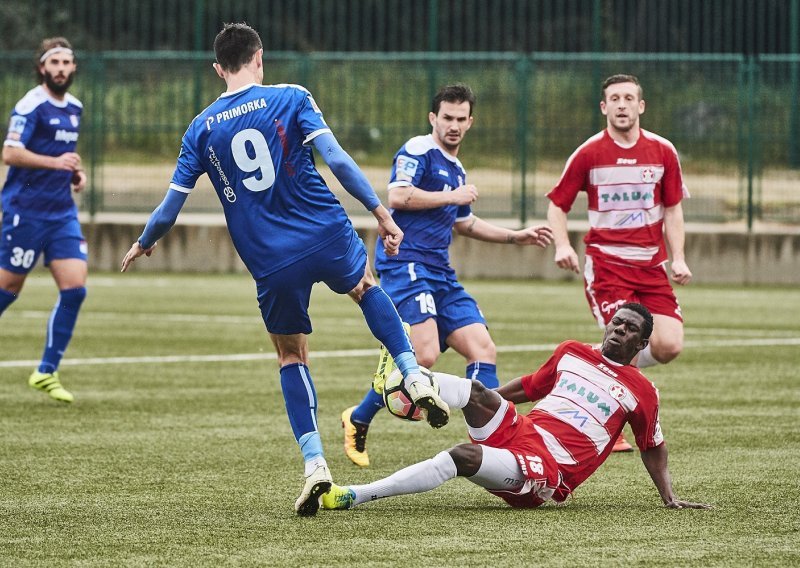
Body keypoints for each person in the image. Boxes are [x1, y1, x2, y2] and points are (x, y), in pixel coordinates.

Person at [119, 23, 448, 517]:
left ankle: (315, 464)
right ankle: (411, 373)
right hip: (323, 231)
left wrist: (144, 242)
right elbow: (335, 158)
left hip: (269, 259)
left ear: (217, 69)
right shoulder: (292, 96)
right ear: (259, 57)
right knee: (364, 286)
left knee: (291, 356)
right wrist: (381, 213)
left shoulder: (200, 128)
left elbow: (169, 207)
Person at [321, 303, 712, 512]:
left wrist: (669, 496)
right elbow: (527, 387)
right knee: (475, 389)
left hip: (551, 471)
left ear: (641, 345)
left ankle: (355, 494)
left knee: (462, 456)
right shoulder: (572, 352)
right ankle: (408, 379)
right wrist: (486, 402)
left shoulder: (642, 390)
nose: (619, 330)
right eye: (617, 322)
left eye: (630, 330)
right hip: (523, 430)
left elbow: (653, 446)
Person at [341, 84, 553, 467]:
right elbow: (398, 197)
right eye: (447, 118)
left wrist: (514, 236)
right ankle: (359, 416)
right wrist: (453, 196)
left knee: (483, 349)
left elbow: (465, 223)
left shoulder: (457, 168)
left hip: (441, 272)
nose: (453, 125)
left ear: (470, 122)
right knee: (425, 355)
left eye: (461, 119)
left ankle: (490, 441)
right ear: (433, 118)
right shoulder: (418, 150)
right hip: (405, 263)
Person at [546, 74, 691, 452]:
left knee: (669, 346)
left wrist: (679, 257)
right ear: (604, 107)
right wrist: (562, 245)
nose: (622, 104)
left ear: (641, 106)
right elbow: (557, 205)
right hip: (607, 267)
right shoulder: (589, 153)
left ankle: (595, 365)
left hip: (651, 267)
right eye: (615, 98)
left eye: (629, 98)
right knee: (624, 343)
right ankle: (608, 424)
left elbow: (673, 209)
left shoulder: (662, 151)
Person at [0, 37, 88, 403]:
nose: (62, 69)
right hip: (25, 212)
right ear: (42, 68)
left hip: (61, 214)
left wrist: (73, 174)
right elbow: (10, 153)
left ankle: (46, 372)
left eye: (67, 63)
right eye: (55, 63)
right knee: (8, 291)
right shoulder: (30, 105)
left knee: (75, 289)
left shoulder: (75, 108)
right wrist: (56, 164)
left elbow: (62, 156)